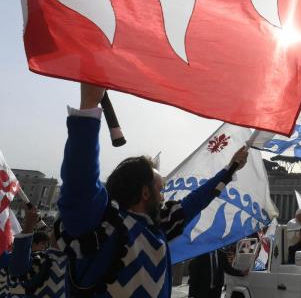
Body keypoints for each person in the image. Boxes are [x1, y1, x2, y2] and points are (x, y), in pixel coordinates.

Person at [55, 83, 249, 297]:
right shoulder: (101, 226)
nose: (164, 196)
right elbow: (80, 181)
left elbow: (196, 201)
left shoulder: (157, 228)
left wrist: (231, 169)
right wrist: (89, 105)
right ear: (145, 193)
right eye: (161, 189)